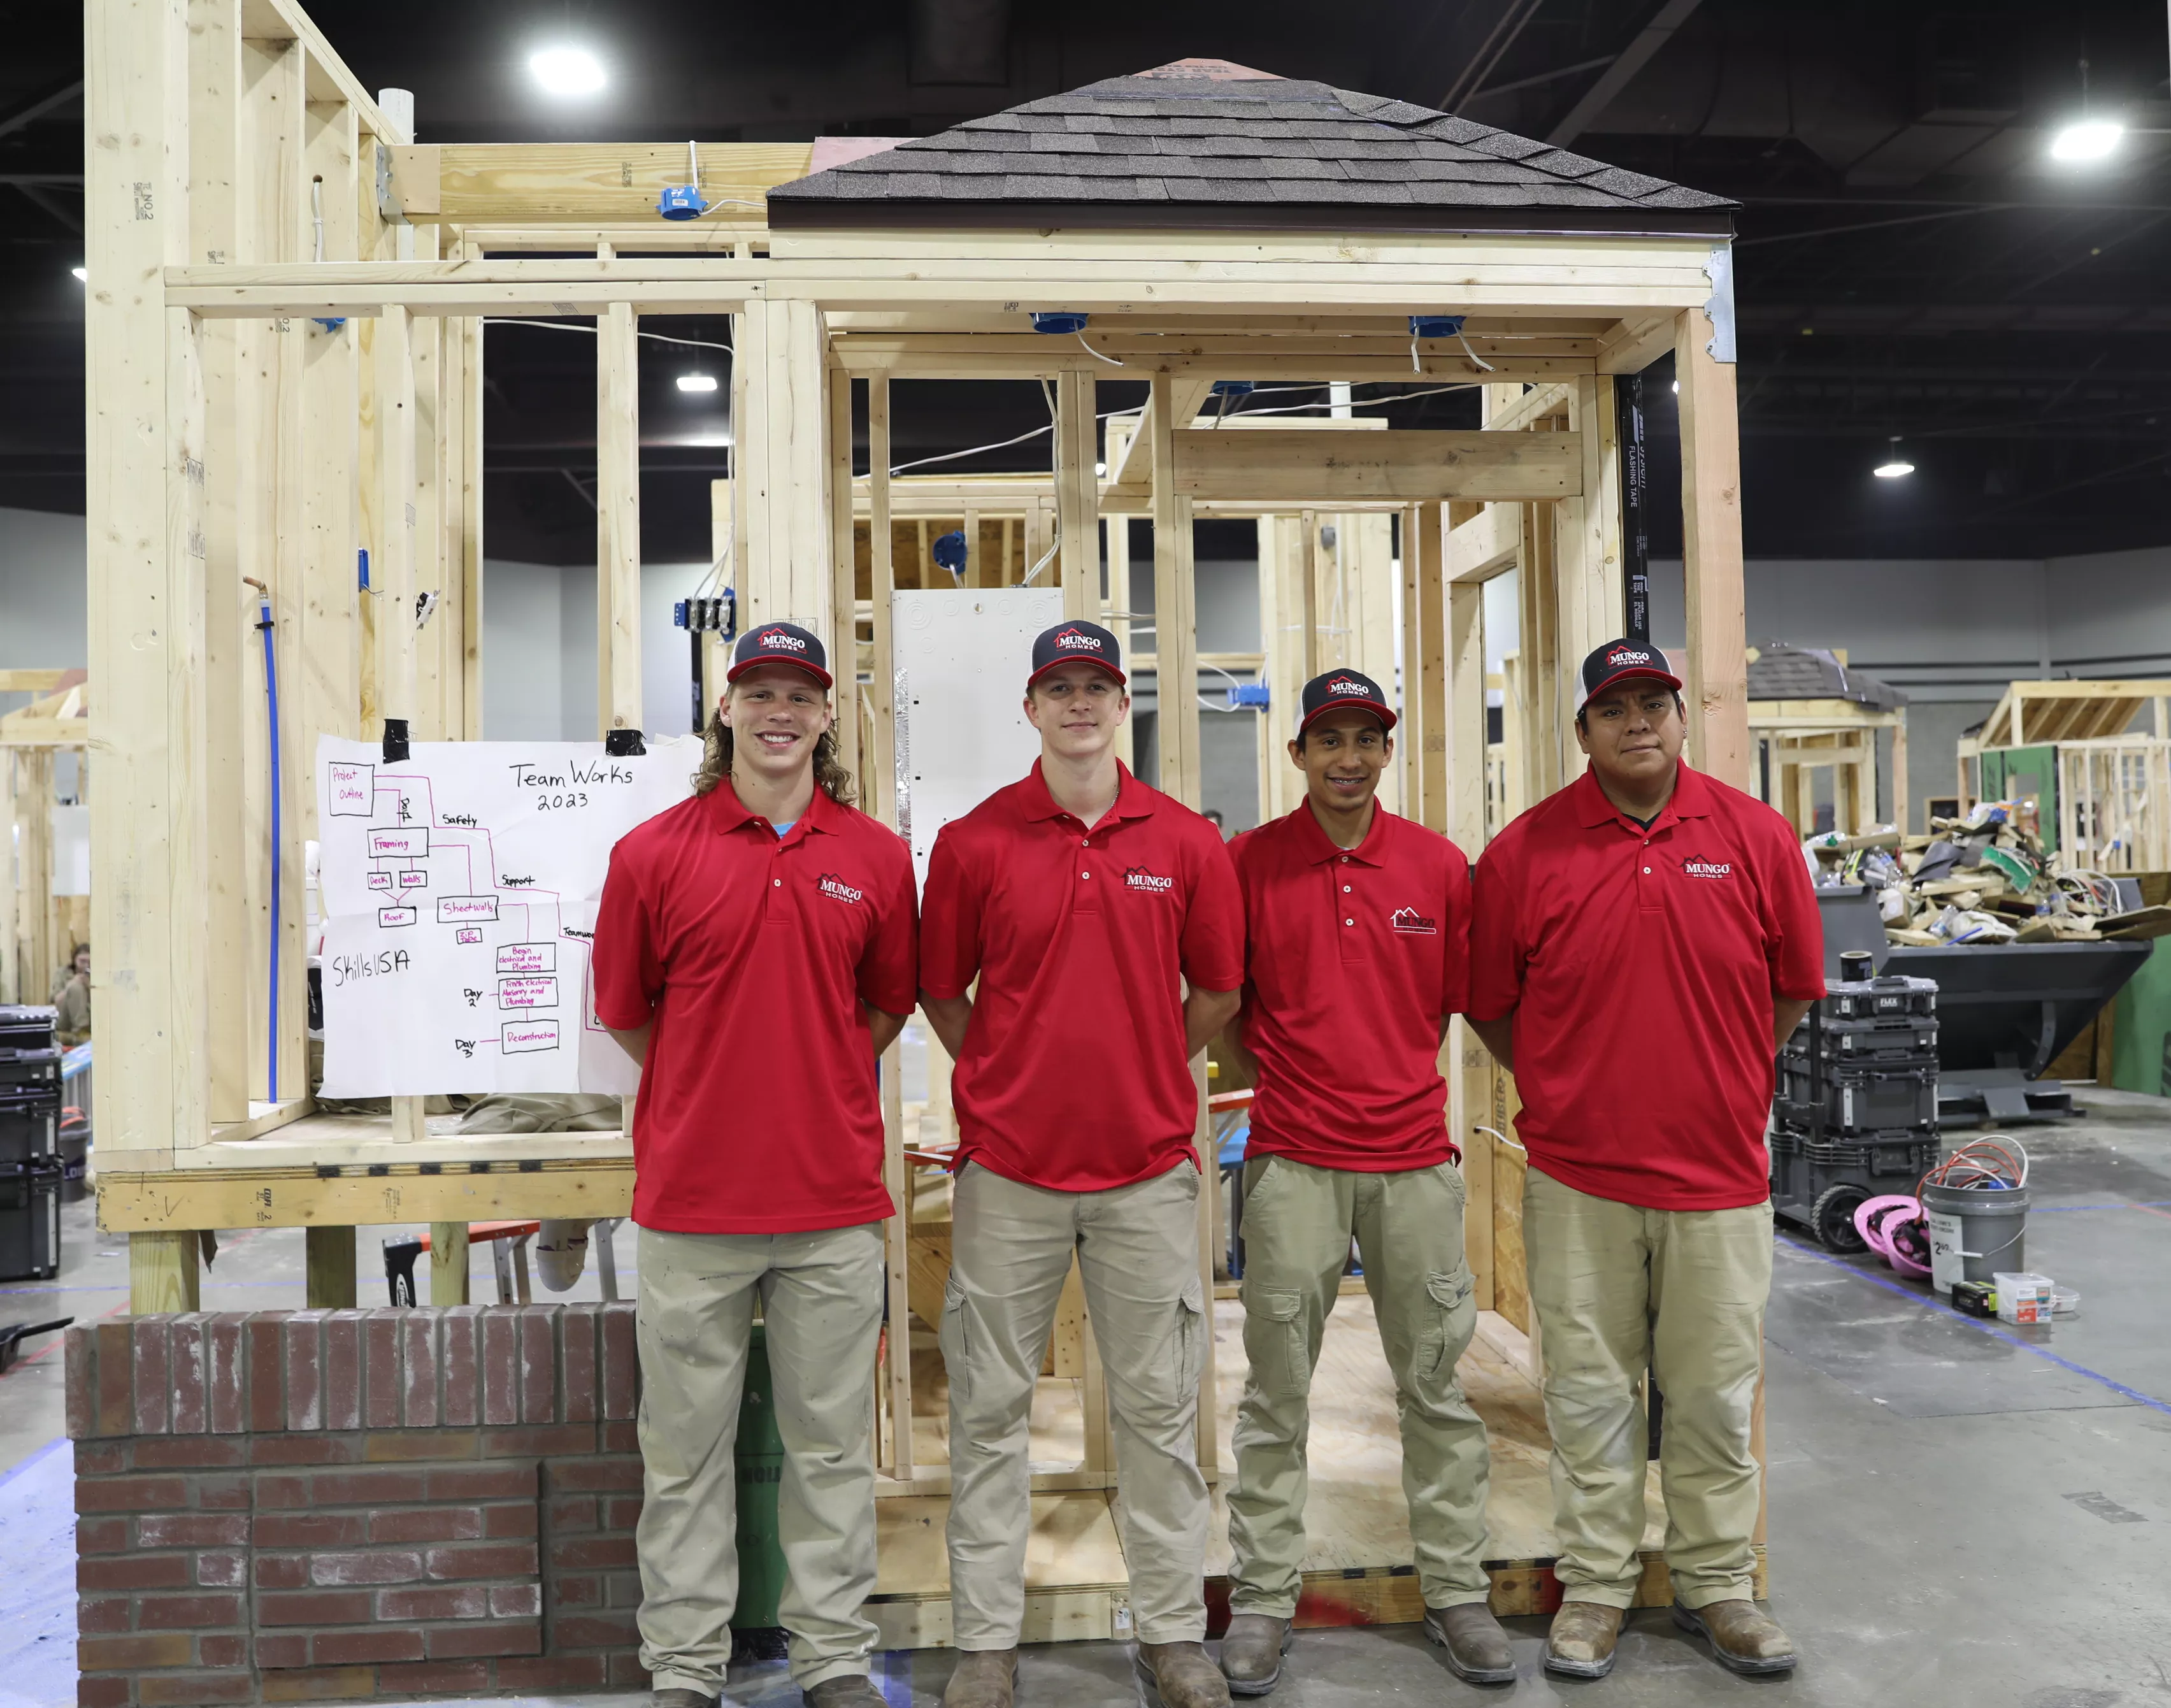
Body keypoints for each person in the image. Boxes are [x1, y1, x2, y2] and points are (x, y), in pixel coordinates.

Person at [1466, 640, 1823, 1682]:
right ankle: (1595, 1586)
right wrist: (1568, 1082)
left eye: (1654, 704)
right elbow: (1489, 1004)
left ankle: (1717, 1584)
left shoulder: (1754, 836)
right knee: (1587, 1396)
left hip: (1718, 1177)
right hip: (1578, 1179)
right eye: (1614, 709)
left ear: (1679, 717)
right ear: (1582, 730)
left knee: (1712, 1395)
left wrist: (1723, 1076)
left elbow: (1792, 987)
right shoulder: (1523, 854)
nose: (1638, 723)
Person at [919, 620, 1245, 1708]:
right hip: (1008, 1175)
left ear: (1120, 704)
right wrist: (1006, 1068)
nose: (1079, 704)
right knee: (987, 1414)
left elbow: (1218, 991)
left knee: (1159, 1416)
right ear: (1030, 708)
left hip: (1145, 1173)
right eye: (1058, 687)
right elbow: (939, 988)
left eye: (1097, 686)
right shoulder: (973, 842)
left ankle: (1172, 1635)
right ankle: (984, 1643)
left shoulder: (1185, 843)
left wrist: (1145, 1062)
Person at [594, 621, 915, 1708]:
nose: (780, 711)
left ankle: (832, 1661)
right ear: (724, 709)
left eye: (801, 695)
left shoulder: (874, 859)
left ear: (826, 718)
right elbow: (628, 1014)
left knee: (831, 1450)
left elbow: (883, 1007)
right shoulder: (651, 855)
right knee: (684, 1454)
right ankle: (684, 1669)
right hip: (692, 1205)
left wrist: (808, 1072)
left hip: (833, 1205)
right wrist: (713, 1080)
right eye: (760, 691)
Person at [1219, 668, 1509, 1693]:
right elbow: (1228, 1011)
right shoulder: (1246, 864)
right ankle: (1262, 1599)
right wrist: (1294, 1085)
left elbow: (1456, 1005)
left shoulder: (1437, 868)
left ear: (1387, 751)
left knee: (1435, 1386)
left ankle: (1458, 1592)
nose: (1349, 758)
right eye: (1329, 739)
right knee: (1276, 1393)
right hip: (1292, 1162)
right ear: (1296, 752)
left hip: (1414, 1165)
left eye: (1367, 739)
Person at [54, 944, 90, 1045]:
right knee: (75, 987)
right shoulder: (63, 973)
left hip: (91, 1017)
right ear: (74, 960)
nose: (86, 965)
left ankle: (83, 1032)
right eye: (82, 961)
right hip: (65, 1018)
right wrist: (71, 985)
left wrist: (89, 987)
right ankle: (81, 1030)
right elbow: (57, 1001)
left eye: (89, 962)